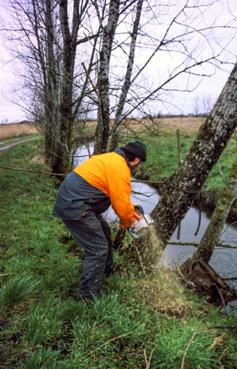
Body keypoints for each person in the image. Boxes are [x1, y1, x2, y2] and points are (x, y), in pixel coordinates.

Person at [53, 141, 147, 301]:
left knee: (104, 231)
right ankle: (86, 297)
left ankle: (104, 272)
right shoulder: (120, 168)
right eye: (139, 164)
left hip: (76, 202)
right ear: (136, 160)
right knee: (98, 249)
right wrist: (129, 223)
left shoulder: (111, 158)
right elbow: (122, 207)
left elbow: (120, 197)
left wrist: (130, 211)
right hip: (75, 205)